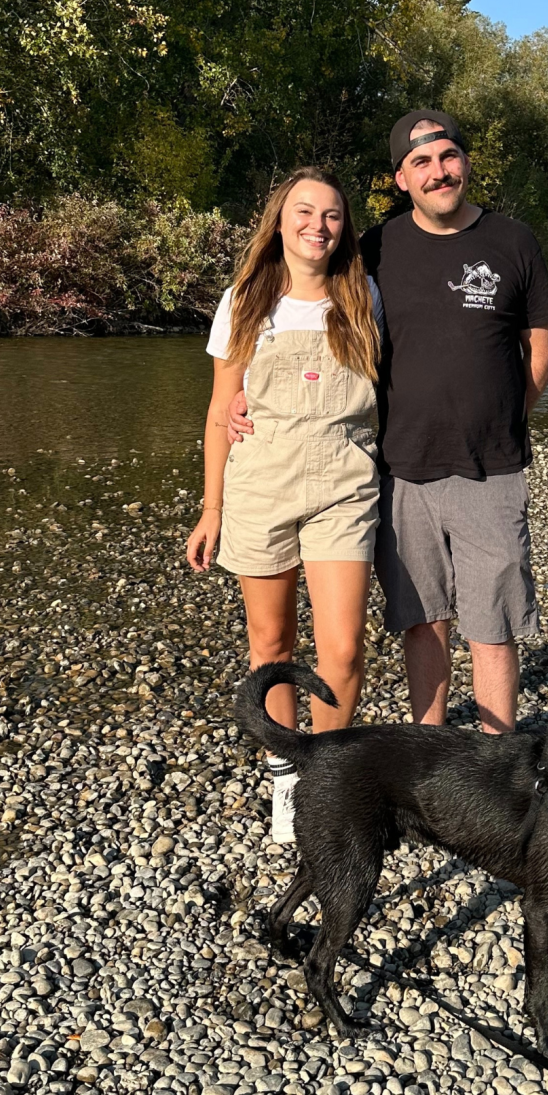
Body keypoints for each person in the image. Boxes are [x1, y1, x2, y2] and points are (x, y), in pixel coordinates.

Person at [230, 111, 548, 734]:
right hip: (397, 466)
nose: (439, 171)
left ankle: (494, 758)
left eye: (448, 156)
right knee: (421, 616)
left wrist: (508, 416)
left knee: (492, 621)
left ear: (465, 161)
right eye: (422, 163)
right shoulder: (374, 249)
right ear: (401, 179)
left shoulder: (513, 241)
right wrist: (246, 397)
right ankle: (430, 751)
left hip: (492, 466)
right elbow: (315, 315)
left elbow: (539, 342)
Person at [187, 166, 384, 840]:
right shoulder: (244, 301)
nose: (317, 225)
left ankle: (326, 783)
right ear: (279, 220)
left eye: (331, 215)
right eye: (304, 211)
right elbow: (220, 411)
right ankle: (283, 775)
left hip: (344, 486)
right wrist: (212, 508)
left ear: (344, 228)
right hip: (261, 485)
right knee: (270, 643)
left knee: (344, 651)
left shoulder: (364, 297)